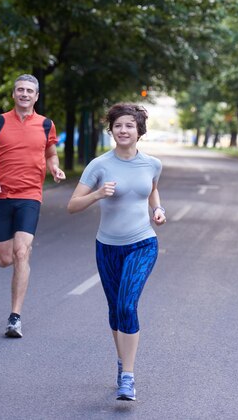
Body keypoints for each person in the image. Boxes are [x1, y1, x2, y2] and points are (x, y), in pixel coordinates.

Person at [67, 103, 166, 401]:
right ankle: (123, 360)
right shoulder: (99, 165)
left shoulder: (152, 164)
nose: (123, 130)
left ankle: (128, 377)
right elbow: (72, 205)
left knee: (126, 305)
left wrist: (157, 209)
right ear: (111, 130)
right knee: (115, 310)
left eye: (129, 126)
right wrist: (97, 194)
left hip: (142, 243)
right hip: (108, 247)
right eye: (118, 125)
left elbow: (151, 190)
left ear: (139, 132)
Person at [0, 74, 66, 338]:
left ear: (36, 96)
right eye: (20, 90)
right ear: (14, 94)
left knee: (20, 252)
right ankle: (19, 257)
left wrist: (55, 168)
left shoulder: (46, 125)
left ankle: (15, 317)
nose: (24, 94)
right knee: (5, 259)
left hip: (30, 196)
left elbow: (51, 153)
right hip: (2, 197)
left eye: (29, 90)